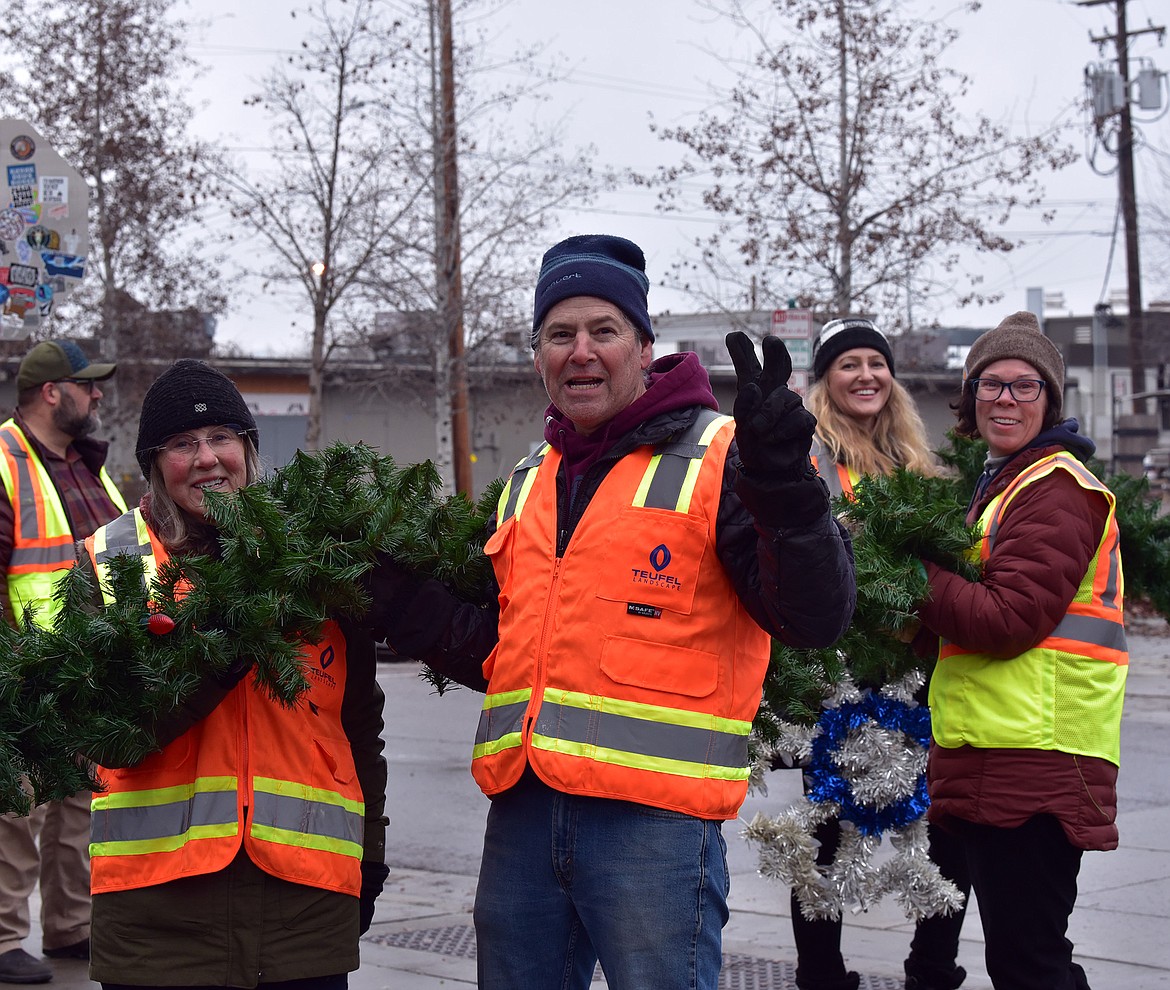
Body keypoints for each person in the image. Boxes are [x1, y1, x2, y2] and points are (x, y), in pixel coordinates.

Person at [367, 234, 856, 990]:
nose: (581, 352)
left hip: (653, 826)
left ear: (644, 346)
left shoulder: (726, 455)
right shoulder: (531, 477)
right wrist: (404, 602)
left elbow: (813, 616)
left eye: (604, 331)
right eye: (559, 335)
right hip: (525, 817)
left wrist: (786, 484)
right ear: (537, 356)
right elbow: (511, 654)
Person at [76, 359, 389, 990]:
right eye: (183, 445)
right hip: (156, 915)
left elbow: (359, 729)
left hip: (304, 905)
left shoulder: (313, 560)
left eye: (222, 438)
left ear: (248, 449)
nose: (207, 458)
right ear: (153, 465)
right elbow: (102, 733)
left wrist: (371, 858)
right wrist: (219, 648)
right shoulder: (112, 564)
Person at [915, 312, 1127, 990]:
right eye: (991, 384)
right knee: (1023, 957)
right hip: (999, 748)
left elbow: (1010, 618)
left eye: (1025, 386)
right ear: (971, 398)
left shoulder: (1055, 489)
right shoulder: (1003, 487)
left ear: (1050, 401)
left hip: (1037, 757)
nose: (1006, 399)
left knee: (1029, 961)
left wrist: (912, 571)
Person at [785, 318, 970, 990]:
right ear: (825, 381)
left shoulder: (919, 466)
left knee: (946, 823)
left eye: (876, 363)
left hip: (918, 672)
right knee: (828, 830)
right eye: (848, 364)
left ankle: (933, 962)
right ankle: (822, 974)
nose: (866, 375)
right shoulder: (808, 457)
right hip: (839, 672)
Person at [0, 339, 125, 984]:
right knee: (19, 810)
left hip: (87, 662)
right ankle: (0, 938)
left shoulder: (87, 465)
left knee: (79, 801)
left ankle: (71, 925)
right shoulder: (5, 459)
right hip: (24, 667)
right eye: (88, 385)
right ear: (52, 392)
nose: (98, 394)